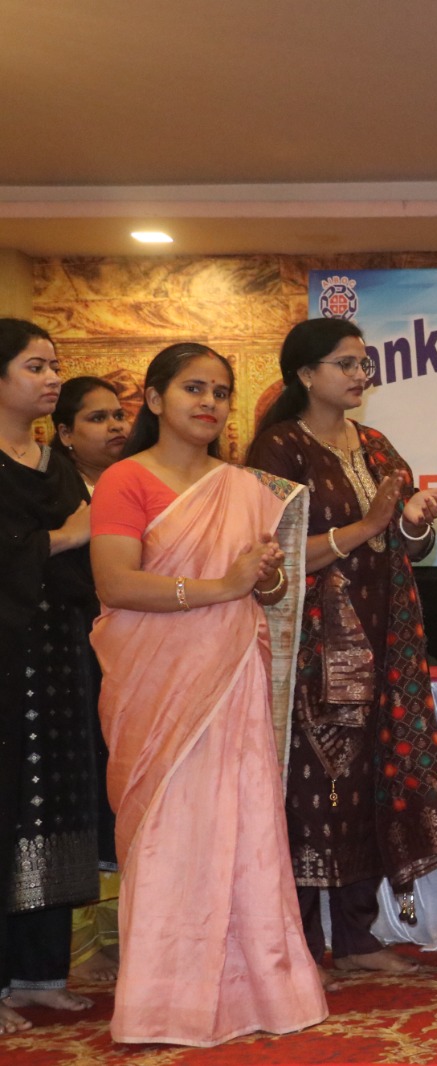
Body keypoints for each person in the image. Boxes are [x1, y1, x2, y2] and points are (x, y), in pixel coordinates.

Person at [90, 342, 327, 1045]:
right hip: (156, 686)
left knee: (243, 826)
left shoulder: (245, 489)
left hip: (231, 679)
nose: (210, 403)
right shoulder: (126, 479)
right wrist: (223, 585)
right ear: (154, 398)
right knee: (169, 832)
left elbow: (269, 590)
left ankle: (258, 992)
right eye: (193, 388)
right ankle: (164, 1001)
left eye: (221, 392)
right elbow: (115, 583)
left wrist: (266, 575)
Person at [245, 318, 437, 975]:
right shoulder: (279, 450)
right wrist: (367, 526)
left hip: (382, 640)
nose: (359, 374)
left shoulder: (375, 446)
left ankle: (358, 936)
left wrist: (412, 522)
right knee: (309, 784)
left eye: (364, 363)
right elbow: (274, 554)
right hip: (308, 648)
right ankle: (297, 939)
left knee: (370, 777)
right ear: (305, 374)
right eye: (345, 363)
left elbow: (404, 544)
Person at [0, 322, 99, 1035]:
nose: (53, 377)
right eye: (36, 366)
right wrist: (65, 537)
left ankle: (40, 974)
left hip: (60, 659)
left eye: (55, 365)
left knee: (55, 805)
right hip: (6, 662)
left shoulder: (53, 463)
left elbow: (87, 561)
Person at [51, 376, 131, 985]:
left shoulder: (140, 481)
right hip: (70, 655)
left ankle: (124, 932)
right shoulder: (54, 491)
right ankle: (79, 946)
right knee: (80, 788)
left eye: (118, 415)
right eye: (97, 419)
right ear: (64, 434)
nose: (115, 427)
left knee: (122, 790)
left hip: (136, 655)